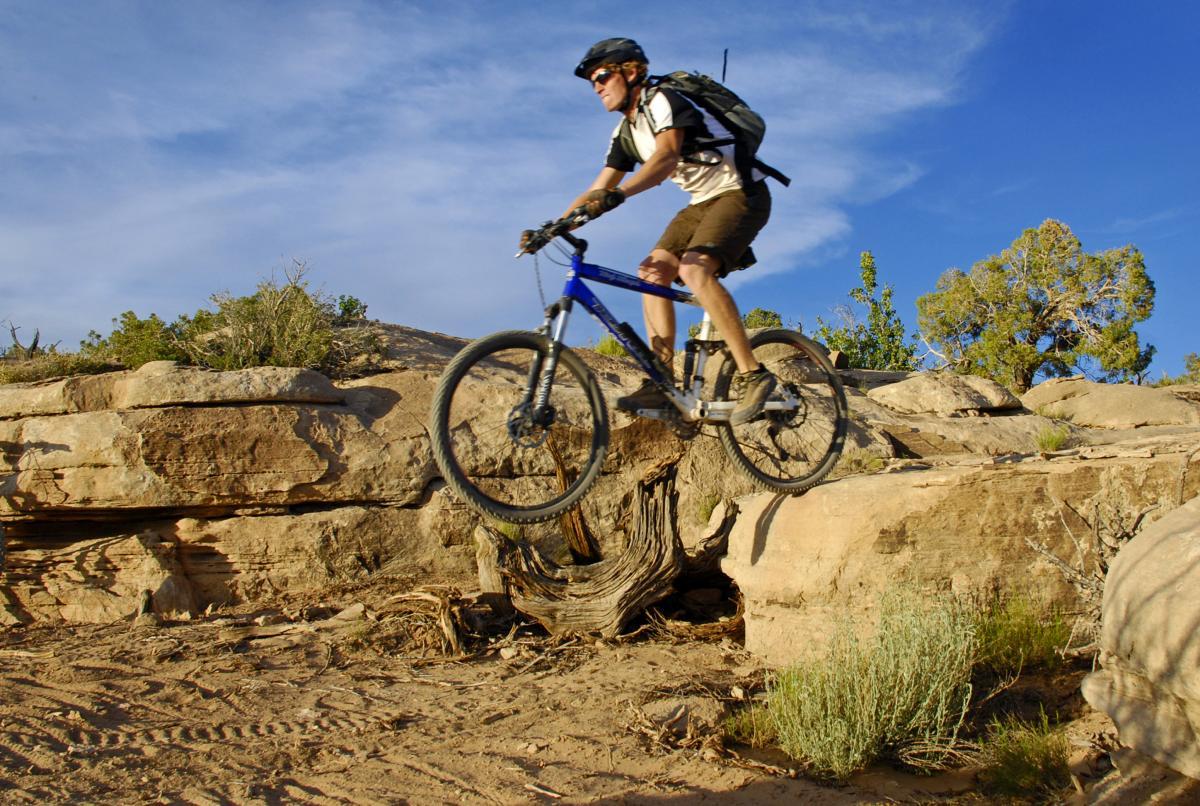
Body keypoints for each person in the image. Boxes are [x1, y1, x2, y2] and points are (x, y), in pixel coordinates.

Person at [558, 37, 776, 426]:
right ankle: (663, 383)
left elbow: (665, 157)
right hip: (700, 203)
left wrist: (620, 194)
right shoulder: (625, 132)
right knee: (651, 273)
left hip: (742, 192)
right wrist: (555, 225)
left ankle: (754, 375)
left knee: (693, 270)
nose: (597, 86)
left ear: (631, 71)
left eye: (603, 76)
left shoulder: (663, 100)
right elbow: (598, 188)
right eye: (592, 81)